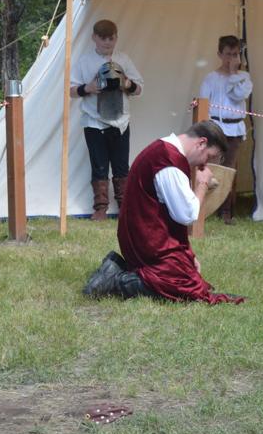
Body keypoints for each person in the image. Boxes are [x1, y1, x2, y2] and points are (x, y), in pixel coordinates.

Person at [82, 120, 245, 304]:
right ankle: (116, 282)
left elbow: (172, 216)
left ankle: (118, 268)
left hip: (146, 236)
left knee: (190, 278)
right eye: (208, 157)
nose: (204, 164)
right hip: (146, 242)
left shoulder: (164, 150)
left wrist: (188, 255)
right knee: (185, 288)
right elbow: (187, 215)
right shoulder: (168, 161)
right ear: (201, 143)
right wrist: (202, 184)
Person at [69, 19, 144, 220]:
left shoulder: (124, 59)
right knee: (99, 165)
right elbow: (71, 91)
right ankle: (100, 208)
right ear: (94, 37)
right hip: (94, 122)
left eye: (111, 38)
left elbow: (139, 89)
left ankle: (124, 208)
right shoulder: (84, 61)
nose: (107, 42)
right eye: (103, 38)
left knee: (121, 166)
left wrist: (126, 83)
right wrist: (89, 88)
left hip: (120, 122)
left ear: (116, 38)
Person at [197, 34, 252, 224]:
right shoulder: (211, 78)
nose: (231, 58)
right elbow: (203, 102)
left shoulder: (244, 77)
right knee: (212, 168)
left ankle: (227, 210)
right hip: (216, 128)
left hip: (234, 129)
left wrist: (234, 73)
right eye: (228, 54)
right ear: (220, 54)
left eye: (235, 54)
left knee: (229, 170)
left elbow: (238, 95)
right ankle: (207, 207)